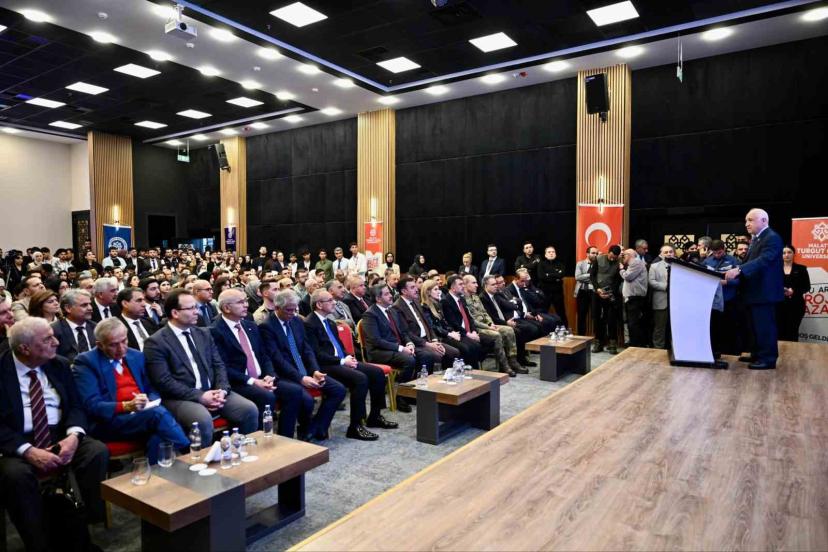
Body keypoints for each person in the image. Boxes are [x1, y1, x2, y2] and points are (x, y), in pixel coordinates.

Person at [0, 317, 109, 552]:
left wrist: (73, 436)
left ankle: (80, 526)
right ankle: (39, 541)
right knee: (16, 475)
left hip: (59, 432)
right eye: (47, 339)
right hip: (17, 440)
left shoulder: (58, 364)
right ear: (25, 348)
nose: (56, 342)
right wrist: (28, 451)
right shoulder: (2, 370)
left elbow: (76, 406)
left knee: (96, 451)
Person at [144, 289, 259, 444]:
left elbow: (218, 365)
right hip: (180, 397)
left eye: (196, 307)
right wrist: (200, 396)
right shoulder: (156, 342)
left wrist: (222, 390)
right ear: (175, 313)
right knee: (202, 419)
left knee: (249, 409)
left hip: (213, 391)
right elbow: (163, 381)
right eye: (191, 308)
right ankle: (201, 458)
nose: (196, 312)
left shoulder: (203, 333)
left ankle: (240, 452)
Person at [73, 319, 189, 464]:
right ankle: (189, 452)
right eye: (114, 345)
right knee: (158, 415)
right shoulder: (86, 362)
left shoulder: (136, 356)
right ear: (100, 345)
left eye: (124, 341)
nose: (121, 348)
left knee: (159, 437)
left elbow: (151, 388)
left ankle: (155, 474)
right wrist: (127, 406)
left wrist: (149, 400)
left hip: (143, 416)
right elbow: (91, 405)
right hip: (109, 422)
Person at [210, 289, 305, 438]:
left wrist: (270, 375)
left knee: (294, 391)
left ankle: (285, 438)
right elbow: (223, 367)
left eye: (246, 301)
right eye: (241, 302)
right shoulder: (215, 331)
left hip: (262, 378)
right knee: (266, 397)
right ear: (226, 308)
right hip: (239, 382)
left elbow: (264, 355)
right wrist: (253, 381)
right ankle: (260, 440)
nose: (246, 305)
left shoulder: (250, 326)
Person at [305, 289, 397, 440]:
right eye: (330, 300)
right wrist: (342, 361)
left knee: (377, 373)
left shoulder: (330, 322)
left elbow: (339, 346)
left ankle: (375, 416)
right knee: (360, 379)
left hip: (340, 361)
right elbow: (316, 354)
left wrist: (348, 357)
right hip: (325, 365)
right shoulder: (309, 324)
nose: (334, 303)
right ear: (319, 304)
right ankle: (355, 426)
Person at [259, 290, 346, 442]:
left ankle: (314, 428)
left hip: (305, 370)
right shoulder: (267, 327)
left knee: (338, 389)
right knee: (306, 400)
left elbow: (307, 349)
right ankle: (296, 436)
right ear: (277, 308)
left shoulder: (297, 321)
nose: (293, 313)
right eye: (289, 310)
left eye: (295, 309)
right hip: (285, 375)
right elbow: (277, 359)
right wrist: (301, 378)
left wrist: (315, 370)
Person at [724, 208, 784, 370]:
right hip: (754, 293)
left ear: (764, 221)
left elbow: (764, 260)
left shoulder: (772, 238)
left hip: (764, 293)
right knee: (754, 326)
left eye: (750, 220)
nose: (746, 224)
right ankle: (757, 353)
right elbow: (750, 262)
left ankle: (768, 359)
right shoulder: (757, 239)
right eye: (746, 220)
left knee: (764, 327)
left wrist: (739, 270)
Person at [359, 285, 425, 413]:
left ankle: (411, 393)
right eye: (386, 294)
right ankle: (400, 396)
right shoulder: (370, 314)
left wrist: (409, 343)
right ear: (378, 299)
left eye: (390, 293)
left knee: (426, 356)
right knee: (409, 360)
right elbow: (376, 341)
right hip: (379, 352)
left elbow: (403, 332)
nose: (391, 296)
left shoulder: (392, 310)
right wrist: (400, 348)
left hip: (397, 348)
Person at [462, 274, 523, 376]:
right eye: (474, 283)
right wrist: (488, 327)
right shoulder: (463, 300)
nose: (477, 285)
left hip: (488, 325)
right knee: (496, 335)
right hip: (478, 328)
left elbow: (485, 313)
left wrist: (491, 324)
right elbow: (472, 320)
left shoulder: (475, 297)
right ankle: (504, 365)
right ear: (465, 284)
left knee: (509, 330)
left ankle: (513, 360)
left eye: (476, 282)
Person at [392, 277, 455, 368]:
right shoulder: (397, 307)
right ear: (404, 291)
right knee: (436, 355)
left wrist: (434, 340)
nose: (416, 289)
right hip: (416, 343)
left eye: (415, 286)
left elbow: (428, 324)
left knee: (453, 352)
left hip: (428, 339)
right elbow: (406, 332)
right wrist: (428, 345)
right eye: (412, 287)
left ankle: (448, 376)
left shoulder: (416, 301)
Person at [479, 275, 540, 366]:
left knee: (526, 329)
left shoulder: (496, 295)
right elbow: (491, 317)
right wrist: (506, 323)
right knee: (518, 331)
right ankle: (515, 361)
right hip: (495, 324)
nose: (496, 286)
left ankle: (522, 358)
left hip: (505, 320)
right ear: (485, 286)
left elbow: (510, 306)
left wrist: (508, 321)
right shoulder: (483, 298)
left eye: (496, 284)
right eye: (493, 284)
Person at [703, 240, 742, 356]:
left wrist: (726, 282)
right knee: (714, 328)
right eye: (714, 253)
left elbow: (740, 281)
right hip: (712, 301)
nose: (717, 255)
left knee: (730, 327)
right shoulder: (707, 261)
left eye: (719, 252)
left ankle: (731, 352)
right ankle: (714, 351)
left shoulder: (733, 261)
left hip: (729, 299)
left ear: (724, 249)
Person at [439, 275, 484, 369]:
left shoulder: (462, 299)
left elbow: (469, 318)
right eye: (460, 284)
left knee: (479, 344)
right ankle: (470, 372)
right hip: (458, 333)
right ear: (453, 288)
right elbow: (453, 323)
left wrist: (474, 331)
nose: (463, 286)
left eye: (463, 284)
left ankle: (476, 372)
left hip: (467, 332)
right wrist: (468, 334)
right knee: (470, 347)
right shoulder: (446, 301)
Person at [590, 245, 623, 354]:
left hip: (611, 294)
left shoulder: (619, 263)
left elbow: (618, 280)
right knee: (597, 318)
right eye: (611, 256)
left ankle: (612, 343)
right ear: (608, 252)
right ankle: (598, 342)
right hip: (597, 293)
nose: (612, 259)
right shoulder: (599, 259)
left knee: (611, 319)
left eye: (615, 257)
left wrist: (609, 292)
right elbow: (592, 275)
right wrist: (598, 289)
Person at [777, 245, 810, 342]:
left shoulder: (801, 269)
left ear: (794, 254)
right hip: (778, 305)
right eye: (784, 253)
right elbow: (770, 285)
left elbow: (807, 287)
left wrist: (794, 291)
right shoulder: (775, 269)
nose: (786, 255)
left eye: (789, 252)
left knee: (793, 332)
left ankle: (792, 351)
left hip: (796, 305)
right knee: (779, 332)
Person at [52, 289, 97, 361]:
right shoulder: (55, 330)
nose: (90, 308)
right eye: (84, 305)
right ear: (68, 308)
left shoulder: (96, 328)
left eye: (90, 304)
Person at [619, 248, 649, 347]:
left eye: (623, 255)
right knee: (632, 323)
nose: (622, 257)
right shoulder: (633, 264)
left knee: (634, 324)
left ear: (629, 255)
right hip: (632, 298)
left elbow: (628, 277)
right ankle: (635, 345)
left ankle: (636, 346)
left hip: (635, 298)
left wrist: (621, 269)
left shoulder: (636, 262)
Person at [116, 287, 158, 351]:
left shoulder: (150, 322)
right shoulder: (117, 328)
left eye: (144, 300)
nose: (144, 304)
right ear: (125, 304)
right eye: (139, 300)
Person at [648, 245, 674, 349]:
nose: (669, 254)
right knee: (659, 327)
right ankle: (658, 348)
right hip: (661, 301)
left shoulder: (681, 267)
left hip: (676, 302)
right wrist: (666, 287)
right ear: (661, 254)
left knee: (675, 328)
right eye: (666, 252)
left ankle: (675, 349)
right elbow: (651, 282)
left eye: (670, 252)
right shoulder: (654, 266)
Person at [537, 245, 567, 326]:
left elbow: (561, 275)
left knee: (561, 312)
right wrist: (556, 277)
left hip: (558, 292)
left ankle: (564, 329)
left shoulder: (560, 264)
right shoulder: (541, 264)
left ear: (555, 254)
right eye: (549, 252)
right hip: (545, 292)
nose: (551, 253)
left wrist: (548, 275)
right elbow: (542, 277)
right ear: (545, 255)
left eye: (553, 252)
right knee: (543, 312)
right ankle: (543, 330)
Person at [573, 246, 597, 336]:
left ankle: (596, 337)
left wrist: (585, 276)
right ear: (587, 254)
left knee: (595, 315)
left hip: (594, 291)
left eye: (596, 253)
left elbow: (598, 279)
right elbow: (577, 277)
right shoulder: (580, 263)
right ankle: (581, 337)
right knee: (581, 315)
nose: (595, 255)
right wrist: (591, 275)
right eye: (593, 253)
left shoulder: (598, 264)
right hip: (582, 291)